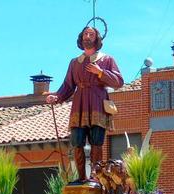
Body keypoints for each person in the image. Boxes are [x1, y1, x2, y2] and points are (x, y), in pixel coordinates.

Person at [45, 26, 124, 182]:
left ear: (97, 39)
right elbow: (68, 86)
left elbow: (118, 82)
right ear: (81, 38)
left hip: (97, 104)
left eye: (91, 34)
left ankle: (96, 177)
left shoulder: (106, 59)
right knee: (77, 142)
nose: (88, 36)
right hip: (79, 106)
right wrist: (57, 97)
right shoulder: (75, 63)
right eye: (85, 34)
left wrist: (100, 72)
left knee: (96, 142)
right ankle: (81, 178)